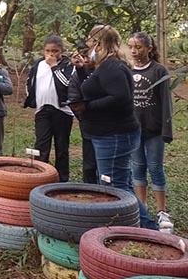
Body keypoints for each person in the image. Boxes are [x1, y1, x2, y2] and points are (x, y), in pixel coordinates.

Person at [71, 25, 158, 230]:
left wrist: (88, 107)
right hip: (108, 134)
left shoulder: (111, 66)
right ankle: (141, 226)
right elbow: (94, 88)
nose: (88, 44)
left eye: (90, 41)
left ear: (99, 43)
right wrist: (83, 69)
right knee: (121, 184)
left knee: (114, 186)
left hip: (115, 135)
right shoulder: (103, 66)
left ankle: (148, 229)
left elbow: (121, 97)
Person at [128, 31, 174, 233]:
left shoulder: (159, 71)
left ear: (149, 48)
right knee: (137, 168)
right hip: (133, 130)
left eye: (138, 47)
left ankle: (162, 211)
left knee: (155, 167)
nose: (134, 51)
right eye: (131, 47)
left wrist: (167, 129)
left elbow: (166, 102)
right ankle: (142, 208)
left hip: (154, 130)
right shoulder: (127, 70)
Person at [23, 35, 74, 182]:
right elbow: (30, 82)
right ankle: (40, 177)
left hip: (62, 111)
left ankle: (62, 179)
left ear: (62, 51)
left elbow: (66, 85)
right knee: (41, 145)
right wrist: (32, 99)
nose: (51, 54)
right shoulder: (38, 64)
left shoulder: (67, 65)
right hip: (42, 110)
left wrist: (54, 66)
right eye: (48, 51)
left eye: (55, 51)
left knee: (62, 147)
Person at [68, 31, 101, 184]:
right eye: (84, 57)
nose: (87, 60)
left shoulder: (104, 72)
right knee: (89, 164)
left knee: (105, 166)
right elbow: (74, 99)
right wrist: (84, 117)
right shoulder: (77, 76)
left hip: (107, 126)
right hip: (87, 126)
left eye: (89, 56)